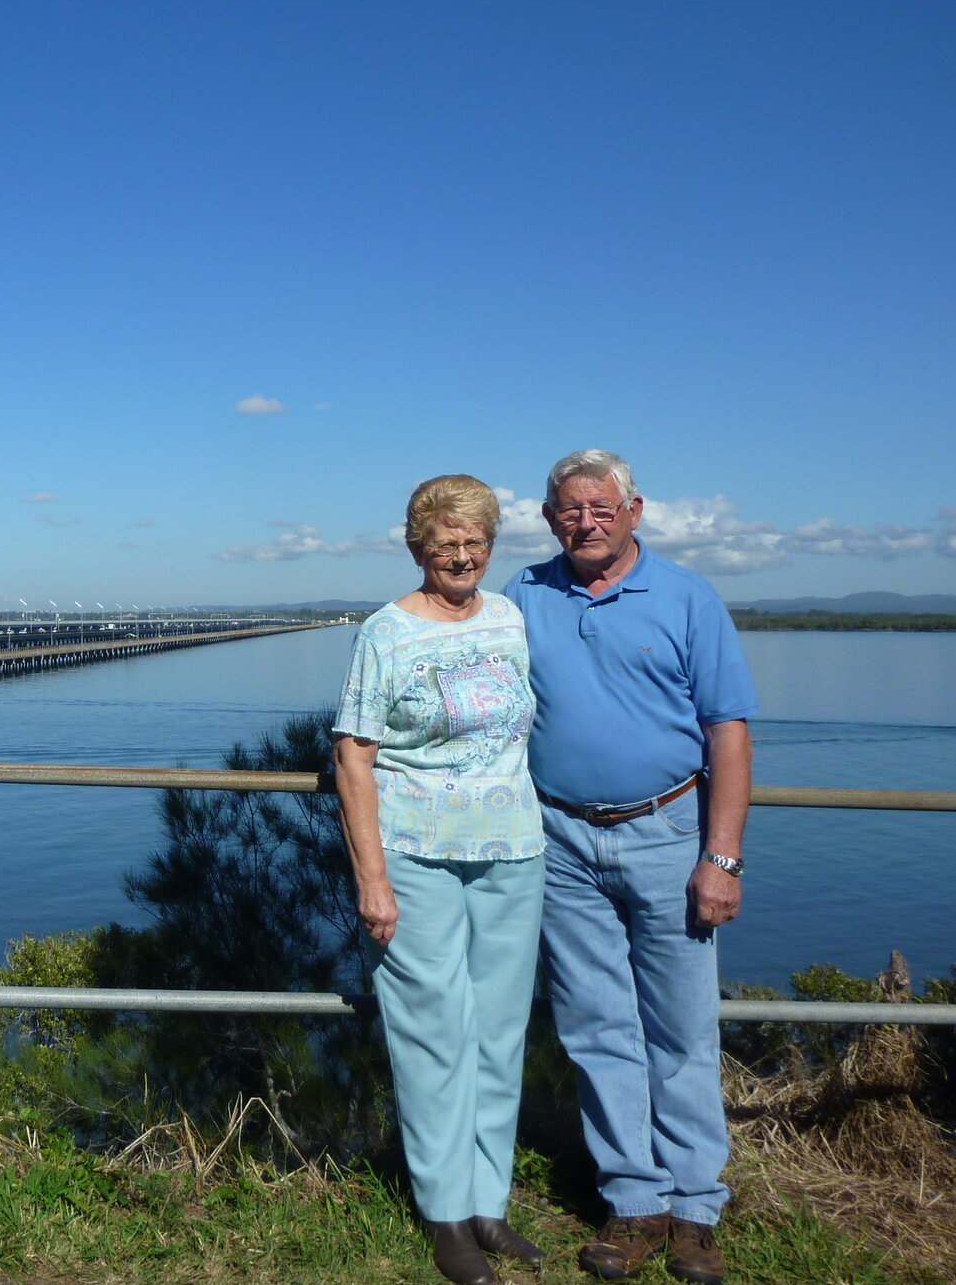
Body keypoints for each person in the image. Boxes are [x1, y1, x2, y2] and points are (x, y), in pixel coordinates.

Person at [503, 450, 756, 1285]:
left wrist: (720, 858)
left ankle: (695, 1211)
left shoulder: (687, 597)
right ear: (549, 519)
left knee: (682, 1031)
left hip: (668, 834)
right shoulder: (524, 598)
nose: (587, 521)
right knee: (595, 1028)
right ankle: (634, 1200)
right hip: (562, 841)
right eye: (570, 509)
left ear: (635, 509)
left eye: (601, 506)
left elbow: (728, 732)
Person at [333, 475, 545, 1285]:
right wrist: (372, 879)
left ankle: (491, 1204)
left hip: (514, 848)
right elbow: (354, 753)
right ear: (416, 546)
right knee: (433, 1036)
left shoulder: (510, 618)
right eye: (445, 543)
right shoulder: (385, 632)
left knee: (497, 1031)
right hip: (416, 852)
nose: (462, 556)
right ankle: (446, 1215)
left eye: (476, 541)